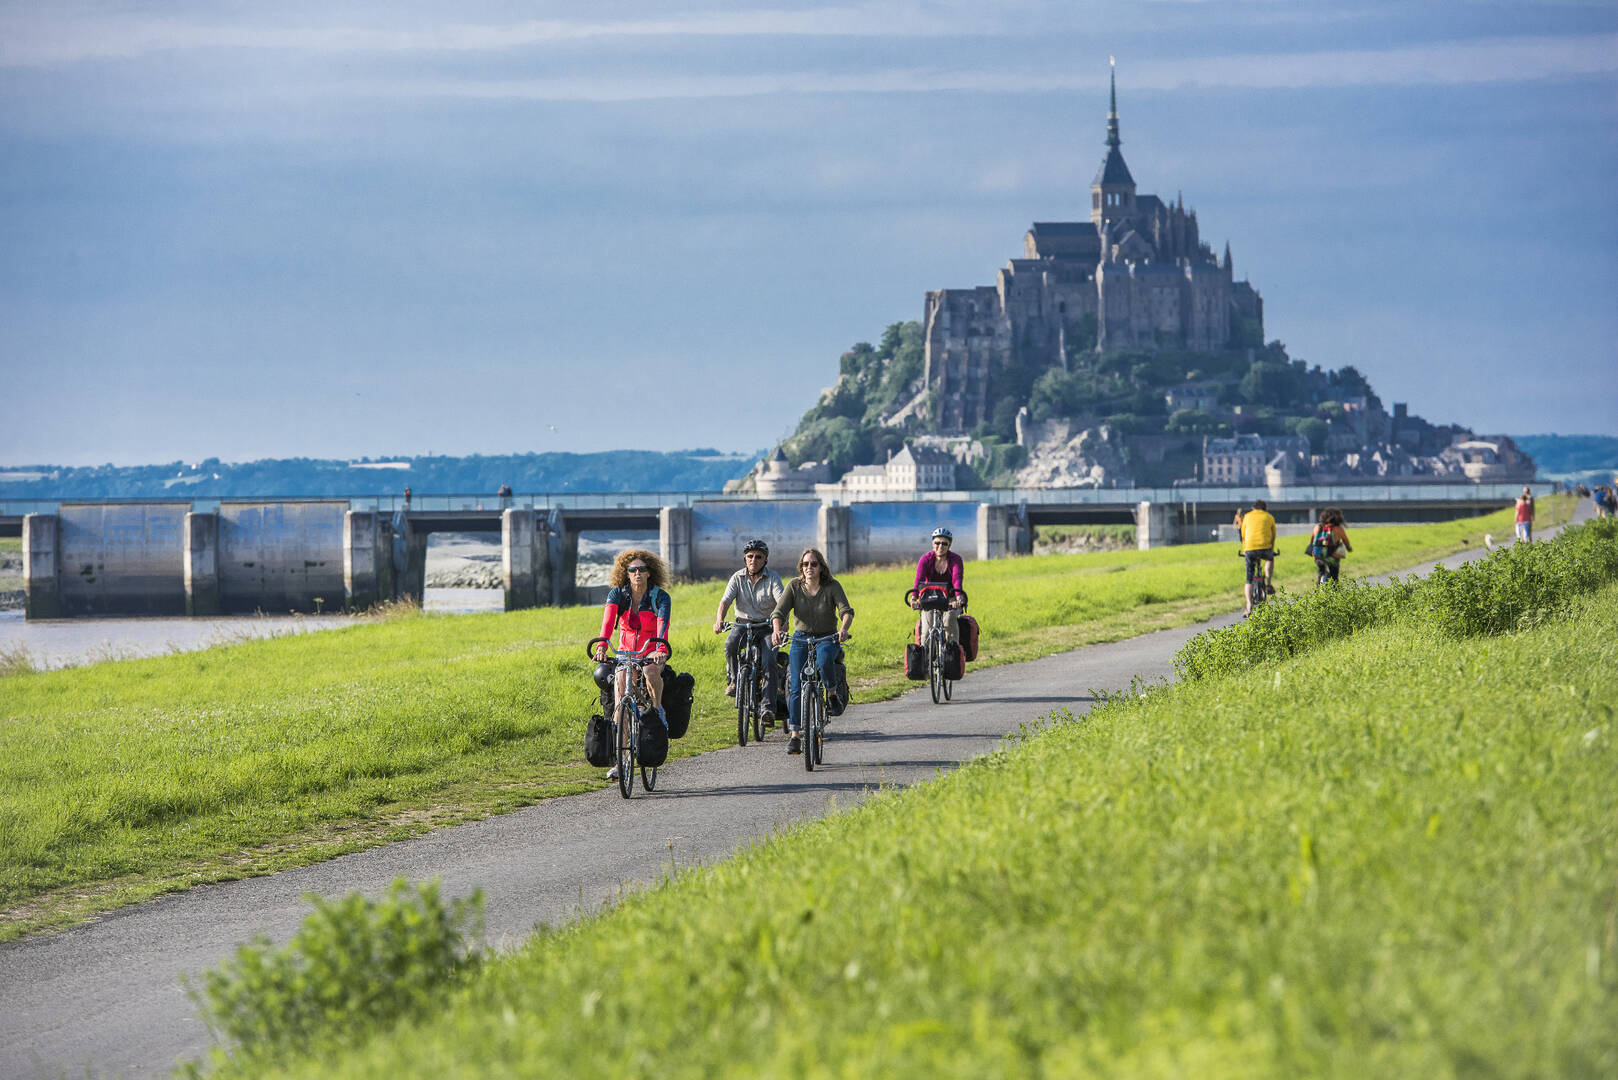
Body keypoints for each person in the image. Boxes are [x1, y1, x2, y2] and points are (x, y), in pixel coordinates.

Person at [593, 549, 671, 779]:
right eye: (632, 570)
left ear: (649, 573)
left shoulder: (659, 597)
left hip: (650, 651)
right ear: (625, 574)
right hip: (625, 652)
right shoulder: (618, 595)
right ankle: (621, 760)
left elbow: (663, 626)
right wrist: (601, 647)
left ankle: (657, 710)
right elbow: (607, 624)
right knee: (621, 690)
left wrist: (661, 650)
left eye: (642, 570)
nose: (637, 574)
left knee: (649, 671)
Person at [771, 547, 854, 756]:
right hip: (800, 638)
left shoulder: (832, 586)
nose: (809, 568)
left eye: (813, 564)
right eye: (805, 564)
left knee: (825, 662)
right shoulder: (793, 586)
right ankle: (795, 736)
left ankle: (832, 693)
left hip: (827, 637)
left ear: (821, 567)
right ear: (801, 567)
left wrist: (843, 629)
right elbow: (779, 612)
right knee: (796, 686)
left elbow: (846, 610)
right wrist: (776, 630)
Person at [713, 538, 785, 724]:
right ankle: (735, 680)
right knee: (730, 645)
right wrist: (719, 620)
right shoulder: (737, 577)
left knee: (769, 660)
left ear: (765, 560)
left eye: (758, 557)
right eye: (750, 556)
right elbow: (725, 601)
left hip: (766, 626)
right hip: (743, 624)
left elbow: (782, 603)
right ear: (745, 559)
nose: (753, 560)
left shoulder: (773, 578)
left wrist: (781, 626)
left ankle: (767, 708)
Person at [910, 526, 965, 645]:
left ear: (949, 545)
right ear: (932, 543)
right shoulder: (925, 559)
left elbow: (957, 580)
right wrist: (914, 598)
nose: (940, 547)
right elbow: (918, 580)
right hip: (929, 598)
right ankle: (927, 659)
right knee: (926, 633)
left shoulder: (955, 560)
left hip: (950, 599)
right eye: (937, 543)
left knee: (949, 620)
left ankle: (952, 652)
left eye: (944, 544)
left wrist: (958, 598)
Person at [1240, 497, 1276, 616]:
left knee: (1249, 579)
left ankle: (1249, 606)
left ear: (1253, 508)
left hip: (1250, 548)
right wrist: (1271, 549)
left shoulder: (1247, 516)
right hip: (1265, 547)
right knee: (1269, 559)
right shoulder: (1269, 517)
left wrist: (1245, 548)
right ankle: (1268, 583)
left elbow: (1243, 534)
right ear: (1264, 509)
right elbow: (1273, 535)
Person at [1310, 507, 1352, 584]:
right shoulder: (1338, 529)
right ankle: (1335, 592)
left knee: (1321, 571)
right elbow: (1346, 541)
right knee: (1334, 575)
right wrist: (1349, 548)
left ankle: (1318, 587)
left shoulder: (1317, 527)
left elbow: (1312, 541)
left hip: (1318, 554)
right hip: (1333, 555)